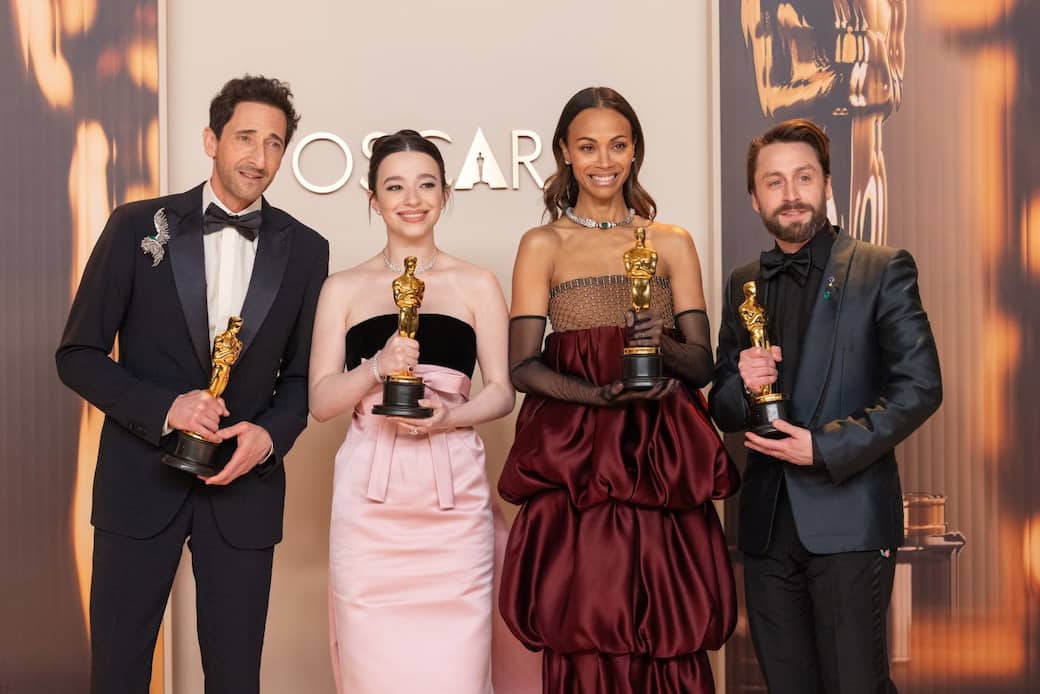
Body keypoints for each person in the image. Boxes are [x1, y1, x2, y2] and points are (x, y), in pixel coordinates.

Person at [55, 75, 329, 693]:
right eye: (245, 137)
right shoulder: (135, 225)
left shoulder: (308, 249)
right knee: (118, 674)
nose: (259, 157)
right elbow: (77, 355)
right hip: (137, 485)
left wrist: (270, 437)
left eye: (275, 143)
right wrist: (166, 408)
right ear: (212, 140)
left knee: (235, 679)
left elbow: (301, 377)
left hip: (243, 493)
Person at [498, 86, 740, 693]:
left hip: (660, 458)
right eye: (587, 147)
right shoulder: (542, 244)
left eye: (617, 145)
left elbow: (702, 364)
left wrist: (660, 342)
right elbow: (523, 366)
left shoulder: (671, 241)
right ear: (564, 151)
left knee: (667, 619)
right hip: (578, 462)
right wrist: (598, 397)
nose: (603, 161)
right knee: (586, 613)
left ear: (635, 151)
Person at [709, 118, 942, 694]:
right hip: (766, 531)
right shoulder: (743, 282)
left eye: (804, 177)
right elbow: (723, 405)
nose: (790, 193)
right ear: (754, 197)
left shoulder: (881, 268)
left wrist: (825, 447)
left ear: (827, 185)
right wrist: (742, 383)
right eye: (774, 182)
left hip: (849, 522)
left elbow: (919, 386)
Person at [308, 130, 529, 693]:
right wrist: (375, 368)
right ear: (372, 198)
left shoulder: (477, 283)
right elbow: (321, 402)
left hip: (452, 499)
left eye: (426, 184)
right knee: (373, 670)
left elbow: (502, 392)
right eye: (394, 186)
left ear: (445, 194)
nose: (412, 199)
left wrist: (450, 418)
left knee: (458, 671)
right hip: (369, 505)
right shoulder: (343, 288)